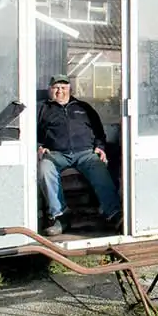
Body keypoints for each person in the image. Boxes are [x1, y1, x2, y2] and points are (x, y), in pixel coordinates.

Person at [37, 74, 122, 236]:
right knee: (45, 168)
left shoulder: (83, 107)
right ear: (50, 90)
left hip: (85, 153)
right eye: (56, 88)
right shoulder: (42, 109)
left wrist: (100, 147)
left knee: (99, 168)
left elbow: (99, 131)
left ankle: (114, 213)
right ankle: (60, 216)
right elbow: (30, 132)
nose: (59, 91)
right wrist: (38, 146)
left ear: (70, 89)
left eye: (63, 87)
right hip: (56, 154)